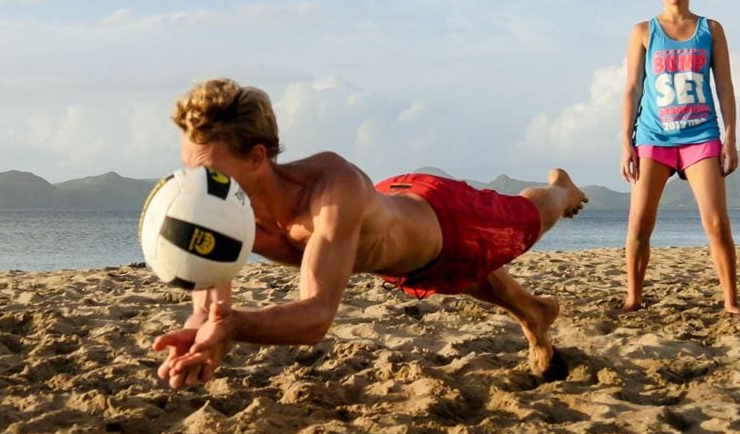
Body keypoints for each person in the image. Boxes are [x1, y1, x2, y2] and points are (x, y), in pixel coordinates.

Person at [152, 78, 588, 390]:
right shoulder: (219, 212)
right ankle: (533, 312)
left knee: (529, 217)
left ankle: (561, 187)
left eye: (207, 171)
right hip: (401, 250)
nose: (194, 185)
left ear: (257, 157)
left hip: (446, 219)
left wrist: (229, 330)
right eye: (189, 170)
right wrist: (198, 341)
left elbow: (317, 316)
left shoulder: (328, 189)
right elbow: (208, 304)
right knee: (466, 276)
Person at [620, 0, 740, 314]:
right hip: (653, 137)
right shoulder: (643, 31)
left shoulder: (711, 29)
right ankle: (633, 298)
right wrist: (625, 141)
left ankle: (731, 301)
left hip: (700, 136)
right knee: (640, 224)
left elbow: (724, 86)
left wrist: (730, 139)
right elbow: (632, 89)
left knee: (716, 223)